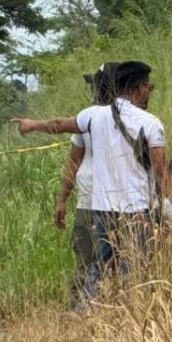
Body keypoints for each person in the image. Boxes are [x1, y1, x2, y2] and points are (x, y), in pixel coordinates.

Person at [13, 61, 172, 303]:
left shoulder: (93, 116)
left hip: (102, 210)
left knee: (99, 269)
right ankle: (129, 318)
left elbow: (60, 125)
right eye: (149, 87)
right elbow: (162, 173)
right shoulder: (150, 122)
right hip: (137, 211)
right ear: (139, 88)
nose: (149, 91)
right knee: (134, 271)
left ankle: (85, 315)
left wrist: (34, 125)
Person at [53, 62, 116, 307]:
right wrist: (62, 198)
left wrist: (62, 199)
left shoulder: (89, 118)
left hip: (95, 203)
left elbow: (73, 162)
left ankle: (84, 311)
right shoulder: (85, 119)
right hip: (101, 202)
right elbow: (73, 162)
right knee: (94, 263)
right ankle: (83, 313)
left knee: (91, 263)